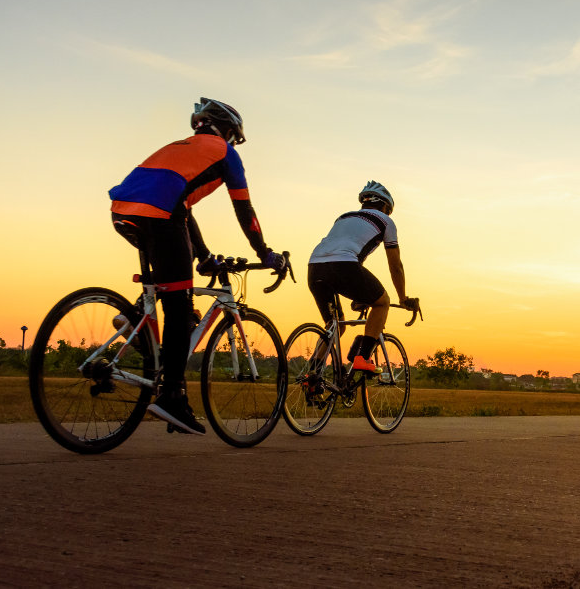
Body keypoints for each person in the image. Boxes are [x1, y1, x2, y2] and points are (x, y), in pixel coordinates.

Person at [108, 98, 287, 435]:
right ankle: (172, 397)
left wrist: (203, 255)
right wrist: (264, 253)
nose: (233, 143)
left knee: (172, 281)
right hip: (162, 216)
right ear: (227, 130)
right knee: (179, 308)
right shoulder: (226, 153)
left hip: (123, 211)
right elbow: (244, 210)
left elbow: (183, 210)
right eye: (233, 137)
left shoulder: (178, 147)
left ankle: (136, 317)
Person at [307, 181, 417, 373]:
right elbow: (396, 266)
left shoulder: (343, 217)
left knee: (335, 326)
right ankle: (363, 358)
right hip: (345, 265)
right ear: (385, 207)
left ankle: (312, 374)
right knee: (382, 302)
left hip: (315, 266)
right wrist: (403, 298)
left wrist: (361, 296)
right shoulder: (386, 221)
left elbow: (346, 251)